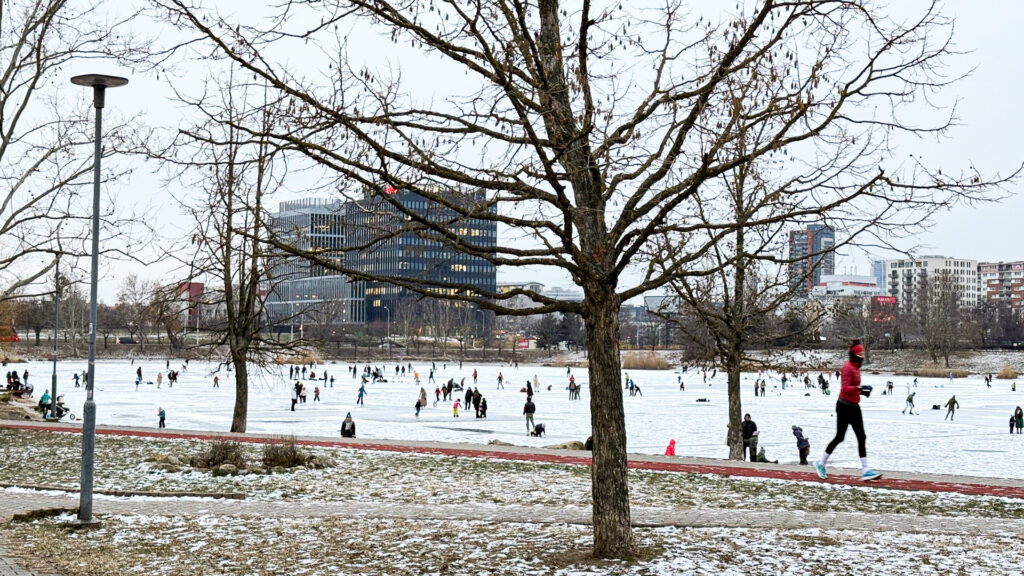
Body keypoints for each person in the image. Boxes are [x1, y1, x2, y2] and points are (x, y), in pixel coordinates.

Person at [814, 339, 881, 481]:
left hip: (855, 406)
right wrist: (859, 389)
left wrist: (863, 392)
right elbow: (845, 388)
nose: (862, 356)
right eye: (860, 353)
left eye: (863, 353)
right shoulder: (847, 368)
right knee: (840, 437)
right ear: (854, 354)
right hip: (843, 406)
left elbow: (854, 389)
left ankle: (865, 469)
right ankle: (821, 463)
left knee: (861, 436)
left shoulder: (856, 368)